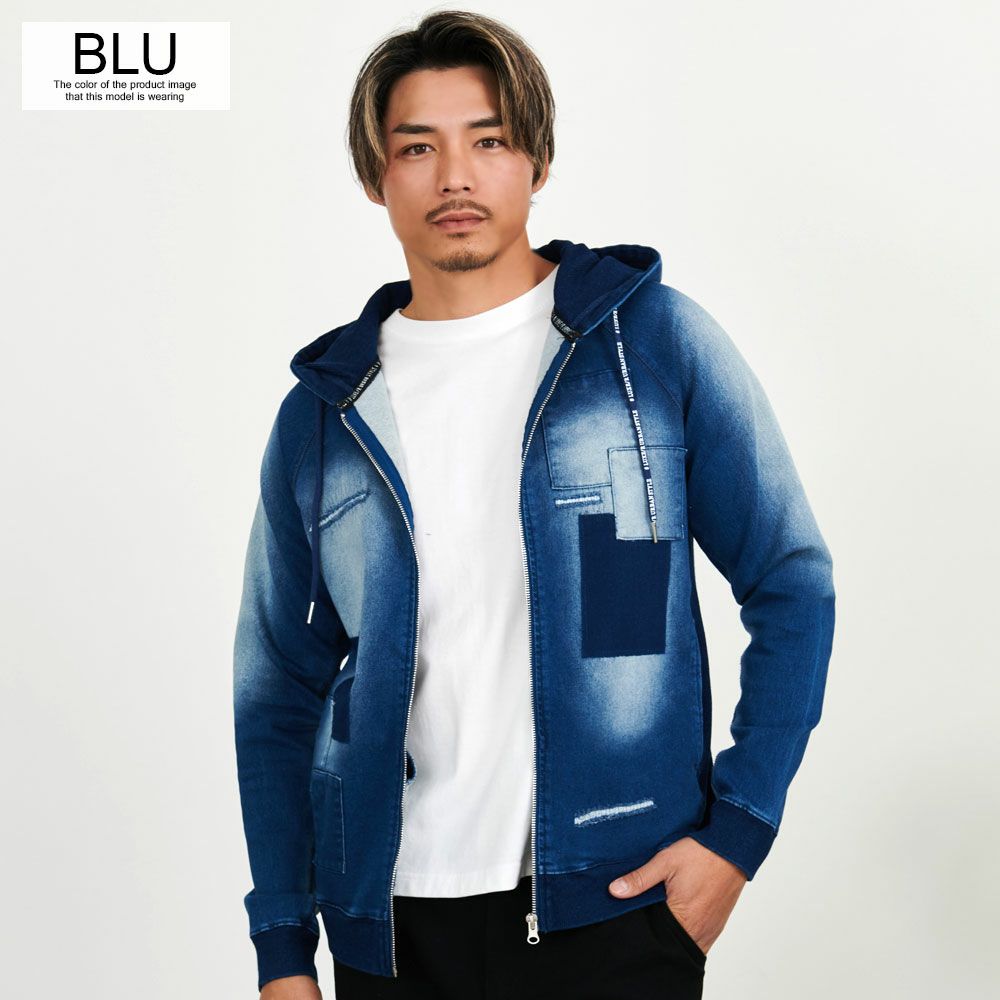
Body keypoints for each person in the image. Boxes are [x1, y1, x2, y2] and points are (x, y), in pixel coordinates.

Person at [232, 10, 836, 999]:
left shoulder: (648, 345)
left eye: (489, 140)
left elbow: (791, 581)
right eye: (416, 147)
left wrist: (738, 832)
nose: (454, 177)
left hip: (617, 906)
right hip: (390, 924)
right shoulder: (326, 415)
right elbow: (276, 690)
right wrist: (283, 947)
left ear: (537, 161)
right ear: (376, 175)